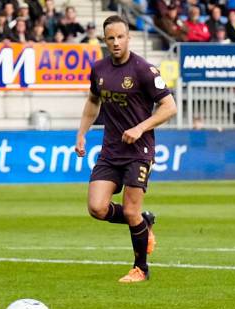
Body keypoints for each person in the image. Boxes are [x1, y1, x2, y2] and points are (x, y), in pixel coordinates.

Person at [74, 15, 177, 283]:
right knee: (96, 207)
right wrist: (82, 133)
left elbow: (169, 107)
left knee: (130, 210)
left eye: (121, 37)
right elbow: (92, 102)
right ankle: (144, 221)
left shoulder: (144, 70)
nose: (116, 42)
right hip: (110, 150)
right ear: (105, 40)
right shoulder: (99, 70)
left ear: (129, 37)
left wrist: (141, 127)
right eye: (111, 38)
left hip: (138, 151)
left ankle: (141, 268)